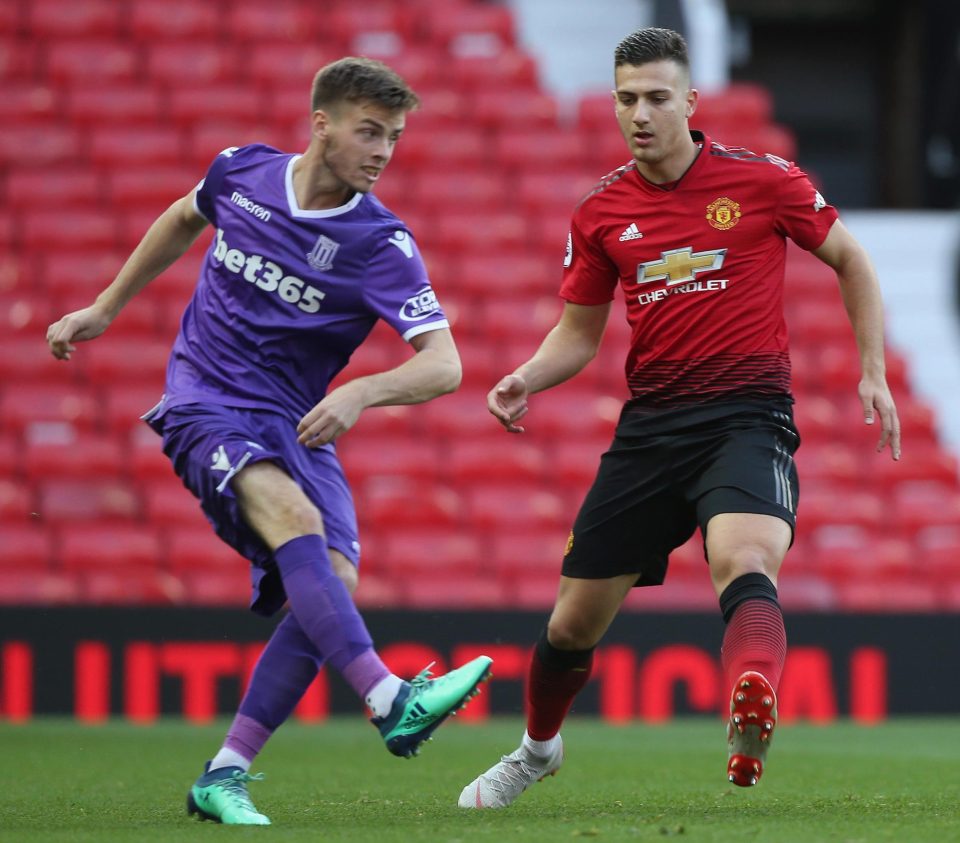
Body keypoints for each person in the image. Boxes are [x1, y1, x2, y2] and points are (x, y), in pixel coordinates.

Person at [458, 27, 900, 809]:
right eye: (626, 98)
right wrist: (526, 376)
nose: (640, 113)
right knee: (570, 627)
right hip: (651, 429)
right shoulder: (601, 209)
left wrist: (873, 372)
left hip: (746, 417)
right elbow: (578, 333)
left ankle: (751, 698)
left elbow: (852, 259)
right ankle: (536, 749)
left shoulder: (764, 182)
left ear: (690, 103)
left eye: (657, 97)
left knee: (744, 560)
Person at [46, 56, 493, 826]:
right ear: (322, 124)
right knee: (297, 523)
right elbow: (184, 215)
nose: (383, 151)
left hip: (296, 421)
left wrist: (360, 390)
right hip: (205, 401)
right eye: (369, 132)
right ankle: (390, 699)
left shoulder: (379, 244)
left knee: (336, 582)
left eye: (393, 137)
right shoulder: (241, 172)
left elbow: (445, 365)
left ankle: (224, 773)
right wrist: (106, 307)